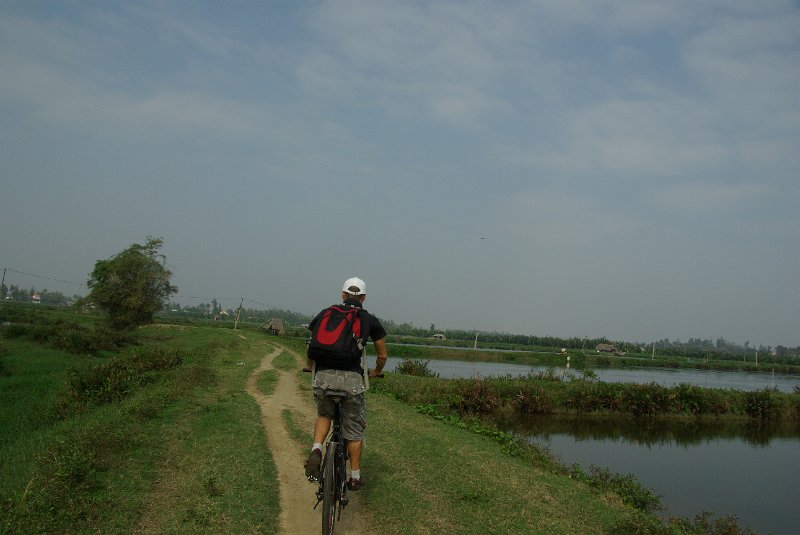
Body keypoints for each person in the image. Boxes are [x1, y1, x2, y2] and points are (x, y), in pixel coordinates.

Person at [304, 276, 388, 491]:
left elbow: (312, 344)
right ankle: (355, 477)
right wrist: (376, 371)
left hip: (323, 377)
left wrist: (308, 366)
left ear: (343, 295)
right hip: (351, 381)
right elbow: (382, 355)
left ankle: (316, 449)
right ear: (363, 298)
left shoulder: (326, 313)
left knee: (325, 415)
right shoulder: (368, 318)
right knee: (354, 431)